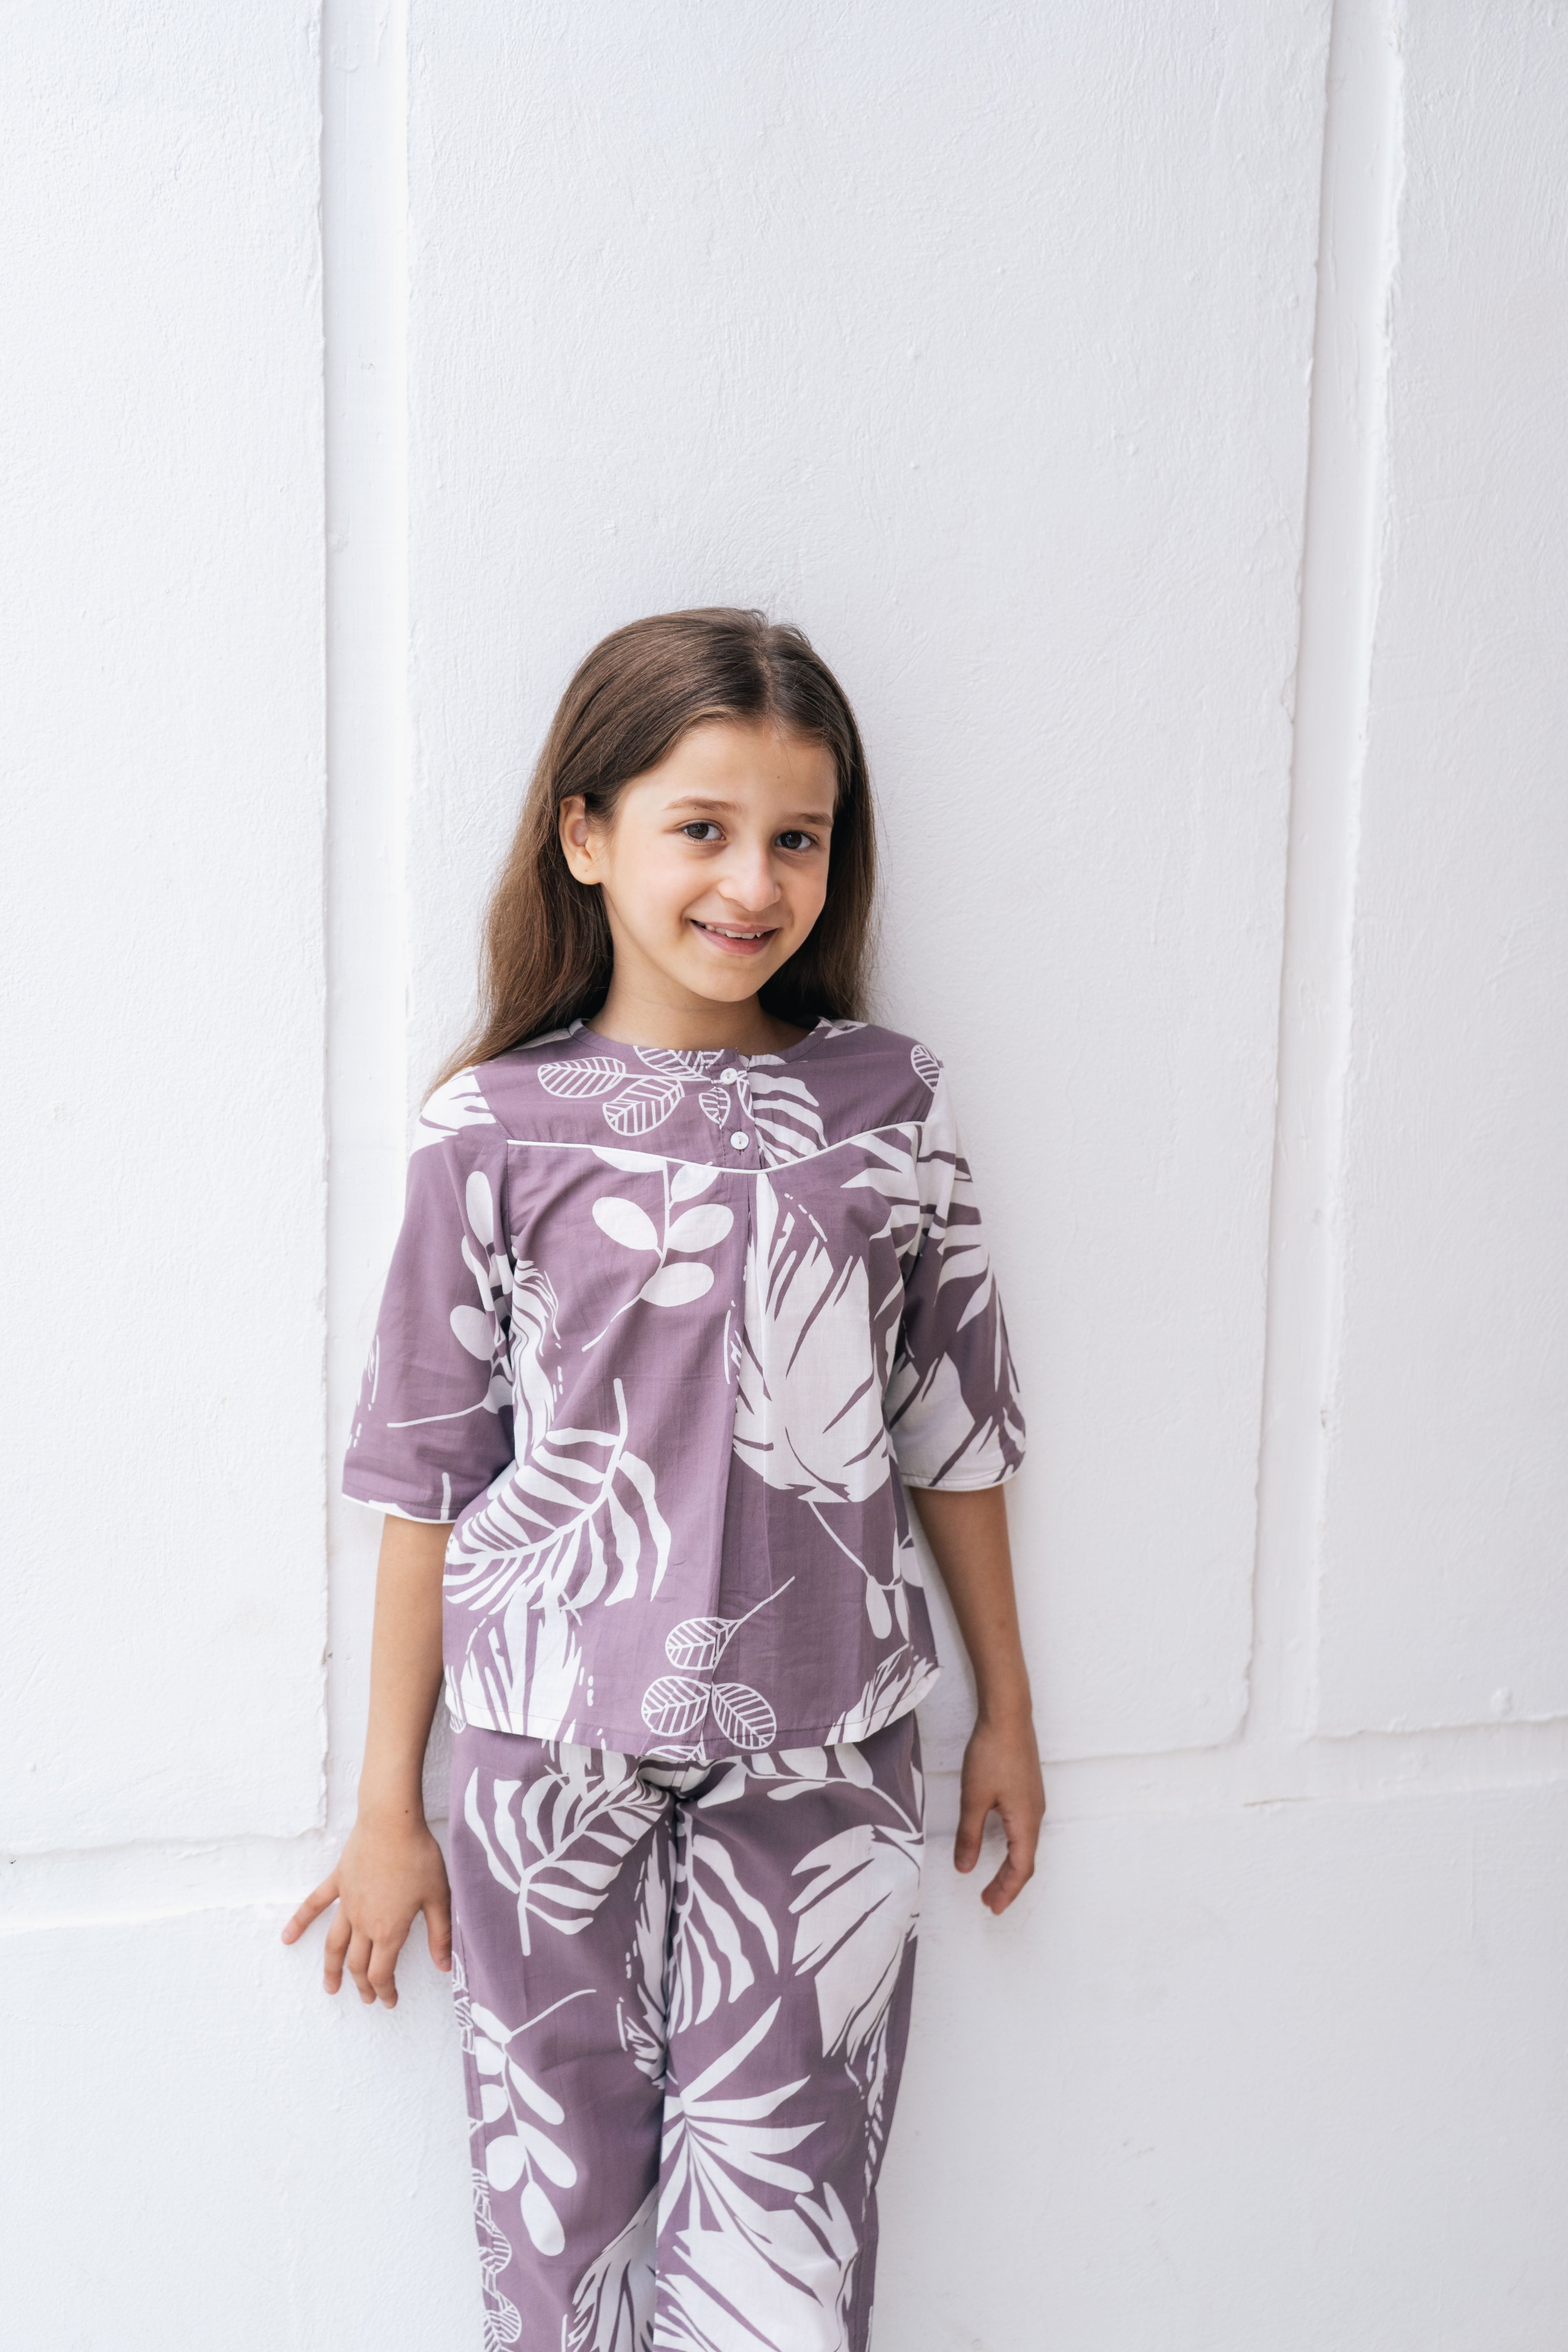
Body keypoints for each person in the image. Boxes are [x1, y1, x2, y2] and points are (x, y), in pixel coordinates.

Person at [283, 606, 1044, 2349]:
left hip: (828, 1748)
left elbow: (954, 1427)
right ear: (587, 834)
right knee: (561, 2244)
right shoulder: (492, 1129)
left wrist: (1007, 1707)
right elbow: (429, 1478)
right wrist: (391, 1804)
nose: (752, 883)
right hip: (545, 1757)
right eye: (701, 828)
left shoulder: (891, 1107)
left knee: (789, 2245)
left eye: (798, 838)